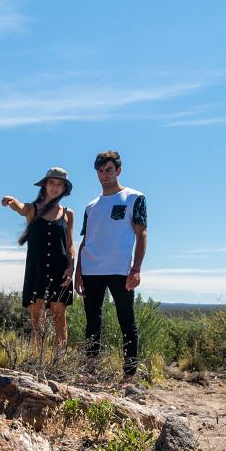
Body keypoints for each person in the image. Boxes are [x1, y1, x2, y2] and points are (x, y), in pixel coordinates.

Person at [74, 150, 147, 381]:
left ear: (118, 170)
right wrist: (78, 273)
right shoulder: (91, 207)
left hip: (120, 270)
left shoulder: (134, 197)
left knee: (126, 321)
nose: (104, 175)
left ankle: (128, 376)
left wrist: (136, 269)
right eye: (100, 171)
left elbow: (141, 233)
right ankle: (91, 371)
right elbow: (85, 241)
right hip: (92, 270)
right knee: (92, 321)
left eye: (108, 170)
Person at [0, 166, 75, 348]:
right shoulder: (33, 209)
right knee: (37, 317)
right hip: (37, 269)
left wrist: (71, 267)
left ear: (64, 188)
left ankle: (60, 361)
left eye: (59, 184)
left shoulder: (68, 214)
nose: (55, 187)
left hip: (60, 270)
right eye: (51, 183)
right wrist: (12, 201)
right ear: (45, 185)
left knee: (59, 317)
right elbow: (21, 207)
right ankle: (36, 359)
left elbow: (70, 244)